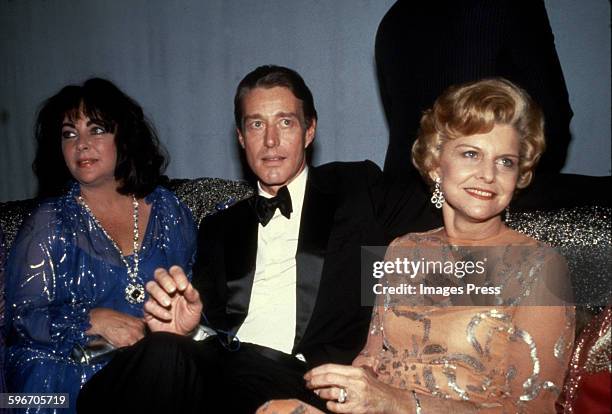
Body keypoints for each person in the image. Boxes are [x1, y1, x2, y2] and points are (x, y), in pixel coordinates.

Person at [76, 65, 439, 413]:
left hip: (301, 378)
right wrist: (187, 331)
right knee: (160, 351)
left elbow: (458, 229)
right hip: (220, 365)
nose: (270, 141)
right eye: (256, 125)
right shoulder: (219, 227)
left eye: (285, 122)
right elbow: (207, 325)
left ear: (310, 130)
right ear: (240, 137)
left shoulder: (357, 188)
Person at [259, 78, 575, 413]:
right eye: (471, 154)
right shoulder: (401, 250)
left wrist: (396, 403)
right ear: (436, 164)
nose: (488, 174)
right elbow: (372, 359)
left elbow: (531, 409)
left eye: (505, 161)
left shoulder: (540, 266)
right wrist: (339, 396)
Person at [4, 78, 197, 413]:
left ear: (124, 136)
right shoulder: (48, 221)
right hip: (60, 372)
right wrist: (90, 319)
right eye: (69, 133)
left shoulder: (169, 212)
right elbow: (22, 317)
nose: (81, 144)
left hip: (147, 364)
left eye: (96, 130)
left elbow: (192, 294)